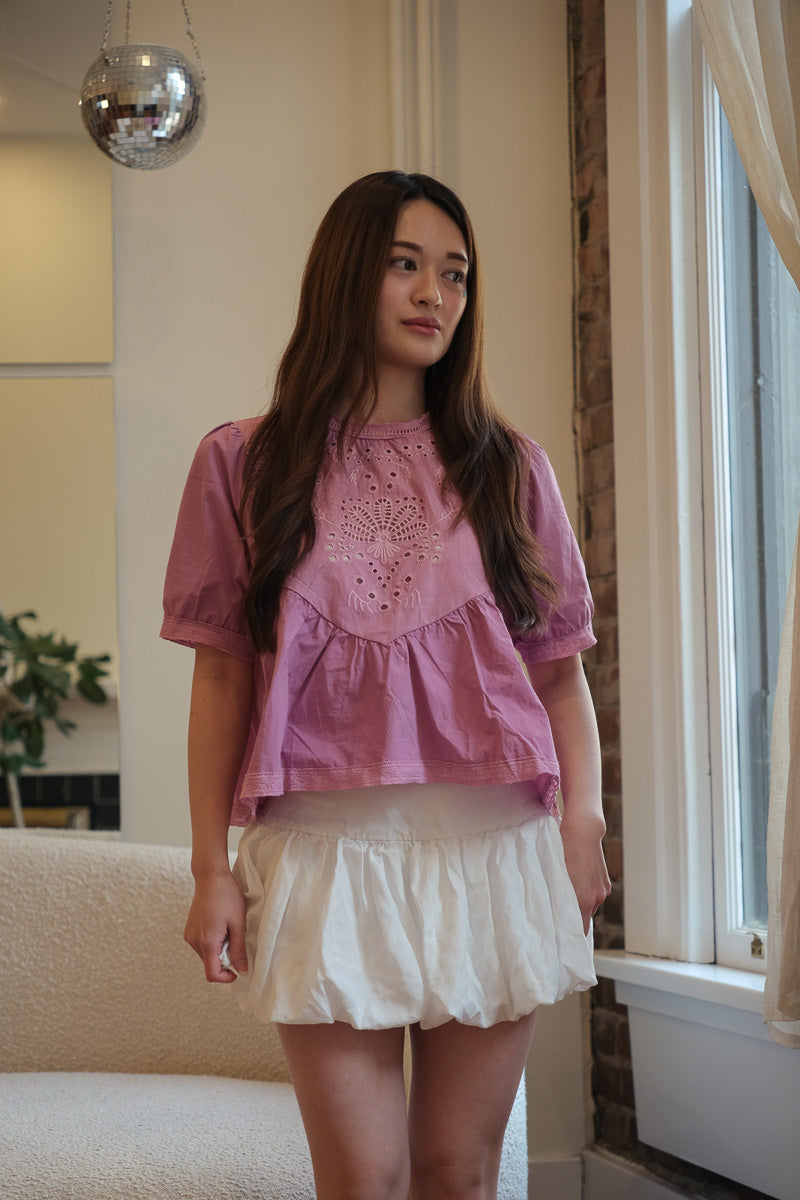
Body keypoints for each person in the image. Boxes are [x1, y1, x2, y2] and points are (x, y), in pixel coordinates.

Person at [161, 170, 611, 1200]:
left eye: (454, 273)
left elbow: (558, 674)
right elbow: (221, 676)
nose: (433, 294)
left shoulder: (509, 468)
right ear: (345, 274)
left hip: (494, 851)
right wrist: (209, 867)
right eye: (405, 264)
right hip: (324, 856)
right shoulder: (243, 463)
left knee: (459, 1174)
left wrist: (583, 820)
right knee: (363, 1178)